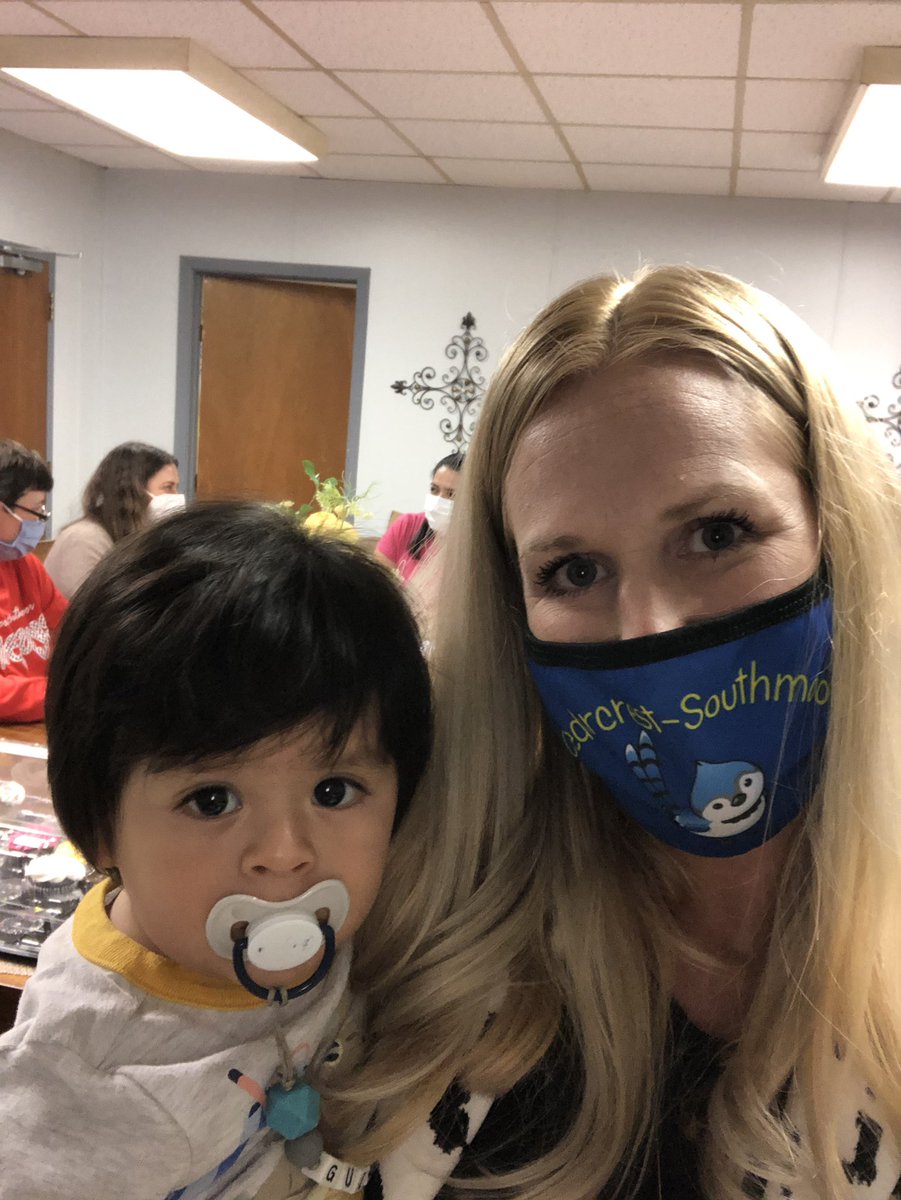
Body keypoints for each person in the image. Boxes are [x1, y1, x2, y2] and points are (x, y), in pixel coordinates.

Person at [347, 267, 901, 1199]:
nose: (647, 629)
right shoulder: (425, 931)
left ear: (836, 533)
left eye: (717, 534)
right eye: (572, 572)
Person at [0, 502, 486, 1200]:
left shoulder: (373, 908)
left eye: (333, 790)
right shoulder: (88, 1091)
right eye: (211, 800)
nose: (285, 855)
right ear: (101, 826)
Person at [44, 441, 181, 597]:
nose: (176, 496)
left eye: (176, 487)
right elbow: (95, 607)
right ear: (133, 490)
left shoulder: (138, 536)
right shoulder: (84, 539)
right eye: (168, 487)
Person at [0, 438, 67, 722]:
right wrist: (67, 694)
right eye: (36, 510)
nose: (40, 521)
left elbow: (68, 628)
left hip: (40, 720)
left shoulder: (24, 563)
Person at [375, 452, 464, 584]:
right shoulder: (407, 525)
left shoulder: (479, 545)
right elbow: (377, 582)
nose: (438, 500)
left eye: (451, 494)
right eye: (434, 489)